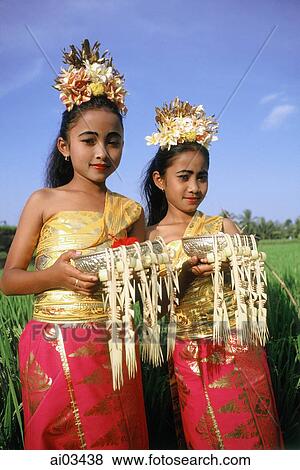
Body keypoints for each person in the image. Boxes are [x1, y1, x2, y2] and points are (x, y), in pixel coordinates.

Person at [0, 39, 148, 450]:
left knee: (115, 439)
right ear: (65, 147)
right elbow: (9, 280)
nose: (102, 152)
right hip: (51, 345)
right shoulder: (42, 201)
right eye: (89, 140)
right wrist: (55, 276)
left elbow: (146, 278)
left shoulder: (130, 211)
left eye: (113, 140)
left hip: (113, 342)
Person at [142, 97, 283, 450]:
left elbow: (256, 289)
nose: (194, 188)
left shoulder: (222, 226)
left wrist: (232, 270)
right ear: (160, 180)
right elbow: (157, 308)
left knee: (254, 435)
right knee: (206, 437)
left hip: (240, 346)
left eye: (201, 177)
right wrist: (188, 274)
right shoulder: (152, 237)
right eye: (184, 177)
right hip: (190, 353)